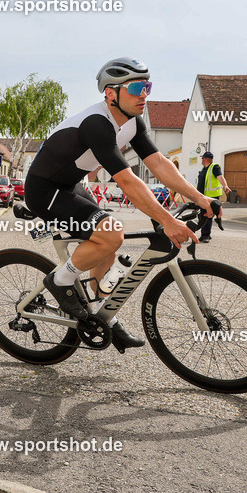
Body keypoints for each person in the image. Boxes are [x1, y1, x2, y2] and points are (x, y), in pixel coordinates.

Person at [24, 57, 218, 353]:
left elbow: (159, 164)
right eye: (137, 88)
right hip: (44, 190)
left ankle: (104, 315)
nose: (144, 95)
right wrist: (168, 221)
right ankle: (60, 281)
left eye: (147, 87)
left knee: (108, 244)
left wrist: (201, 198)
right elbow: (127, 181)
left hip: (71, 185)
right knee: (111, 233)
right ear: (111, 93)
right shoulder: (97, 123)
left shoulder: (132, 123)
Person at [195, 152, 230, 243]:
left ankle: (205, 236)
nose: (202, 160)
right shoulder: (204, 169)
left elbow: (220, 177)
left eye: (202, 158)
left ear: (205, 159)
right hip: (202, 196)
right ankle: (216, 219)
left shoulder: (214, 167)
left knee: (207, 215)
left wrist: (225, 186)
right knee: (202, 215)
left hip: (211, 196)